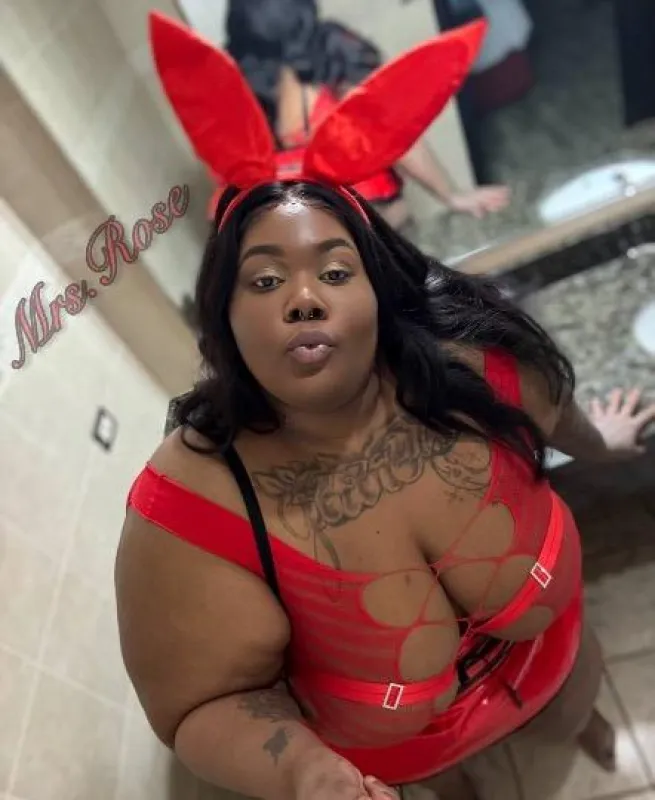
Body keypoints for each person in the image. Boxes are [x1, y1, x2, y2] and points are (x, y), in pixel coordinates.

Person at [117, 12, 655, 800]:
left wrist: (599, 441)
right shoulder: (197, 504)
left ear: (378, 286)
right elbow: (199, 701)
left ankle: (587, 726)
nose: (304, 298)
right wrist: (304, 772)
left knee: (575, 710)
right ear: (222, 315)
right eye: (265, 280)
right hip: (404, 761)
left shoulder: (478, 363)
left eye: (335, 271)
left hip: (555, 667)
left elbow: (556, 415)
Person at [219, 0, 510, 228]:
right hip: (372, 224)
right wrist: (452, 196)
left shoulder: (230, 79)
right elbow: (391, 132)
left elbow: (233, 177)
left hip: (299, 238)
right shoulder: (331, 50)